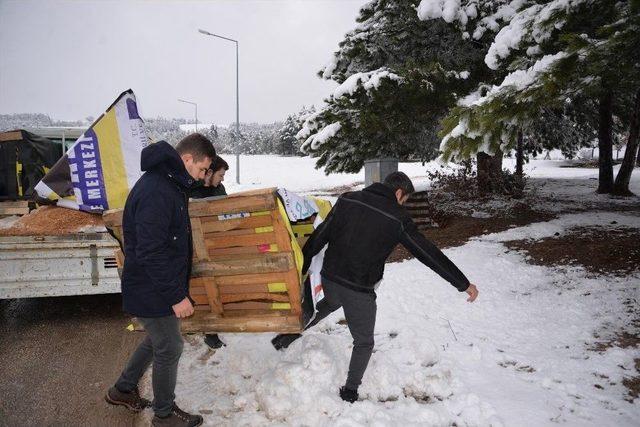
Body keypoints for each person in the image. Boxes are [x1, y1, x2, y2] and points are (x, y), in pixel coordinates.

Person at [271, 172, 479, 404]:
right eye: (404, 200)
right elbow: (427, 253)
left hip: (329, 279)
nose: (403, 205)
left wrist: (302, 267)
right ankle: (350, 392)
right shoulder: (398, 218)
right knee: (364, 342)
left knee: (328, 304)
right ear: (399, 193)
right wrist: (462, 283)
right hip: (358, 291)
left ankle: (286, 337)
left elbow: (320, 235)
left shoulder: (347, 199)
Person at [105, 133, 215, 427]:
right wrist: (175, 296)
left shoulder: (169, 184)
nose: (204, 177)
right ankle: (164, 416)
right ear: (187, 159)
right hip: (151, 287)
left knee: (158, 341)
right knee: (170, 346)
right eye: (203, 169)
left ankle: (123, 390)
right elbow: (151, 251)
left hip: (154, 285)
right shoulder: (158, 190)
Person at [188, 156, 229, 349]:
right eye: (220, 175)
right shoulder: (189, 190)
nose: (222, 179)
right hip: (192, 247)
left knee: (215, 286)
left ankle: (212, 330)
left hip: (216, 244)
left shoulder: (219, 190)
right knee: (197, 286)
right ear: (209, 172)